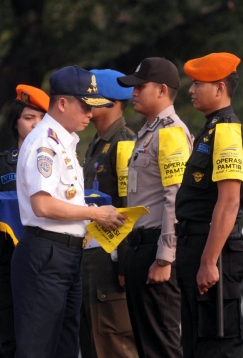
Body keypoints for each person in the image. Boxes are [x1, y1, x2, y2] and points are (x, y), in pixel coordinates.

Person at [12, 65, 127, 358]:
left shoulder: (65, 142)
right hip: (46, 253)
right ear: (62, 103)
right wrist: (95, 214)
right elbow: (43, 204)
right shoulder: (45, 143)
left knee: (64, 348)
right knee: (37, 349)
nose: (91, 114)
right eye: (86, 106)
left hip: (67, 254)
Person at [175, 52, 243, 358]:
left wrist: (208, 261)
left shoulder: (227, 132)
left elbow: (229, 202)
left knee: (217, 345)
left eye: (198, 84)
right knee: (195, 343)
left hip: (214, 249)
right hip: (196, 244)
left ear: (220, 88)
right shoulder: (211, 130)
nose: (191, 90)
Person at [117, 57, 193, 358]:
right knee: (146, 346)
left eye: (140, 86)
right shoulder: (147, 132)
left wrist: (164, 258)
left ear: (162, 90)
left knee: (161, 346)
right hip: (139, 247)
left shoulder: (171, 132)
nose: (133, 92)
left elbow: (174, 198)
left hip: (156, 250)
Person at [79, 69, 138, 358]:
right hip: (92, 258)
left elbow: (129, 207)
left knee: (114, 344)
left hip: (113, 262)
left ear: (113, 101)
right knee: (92, 344)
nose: (85, 104)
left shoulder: (124, 142)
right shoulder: (95, 144)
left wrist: (126, 265)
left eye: (92, 98)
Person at [0, 85, 48, 358]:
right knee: (9, 332)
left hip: (43, 257)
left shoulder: (55, 161)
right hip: (7, 257)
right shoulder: (3, 164)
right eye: (29, 118)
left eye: (42, 119)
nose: (36, 125)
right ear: (15, 122)